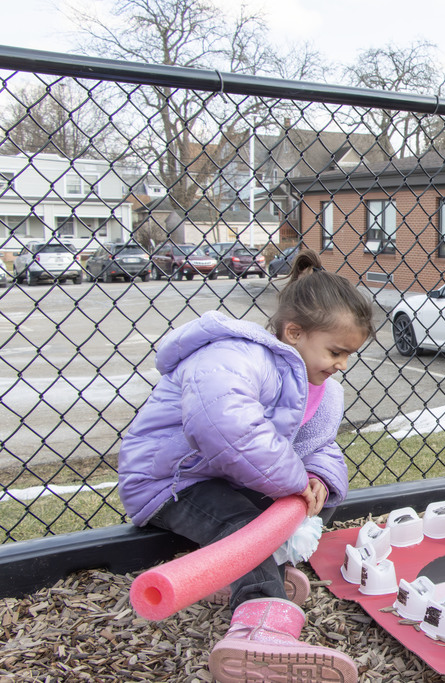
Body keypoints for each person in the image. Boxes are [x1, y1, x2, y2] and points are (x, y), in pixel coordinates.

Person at [118, 249, 374, 682]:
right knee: (242, 527)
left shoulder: (323, 389)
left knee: (312, 500)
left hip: (223, 479)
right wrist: (292, 481)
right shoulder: (236, 356)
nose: (341, 364)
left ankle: (252, 573)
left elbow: (318, 444)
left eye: (349, 354)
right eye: (335, 351)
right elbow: (222, 427)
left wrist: (316, 479)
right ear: (294, 332)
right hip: (169, 481)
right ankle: (259, 630)